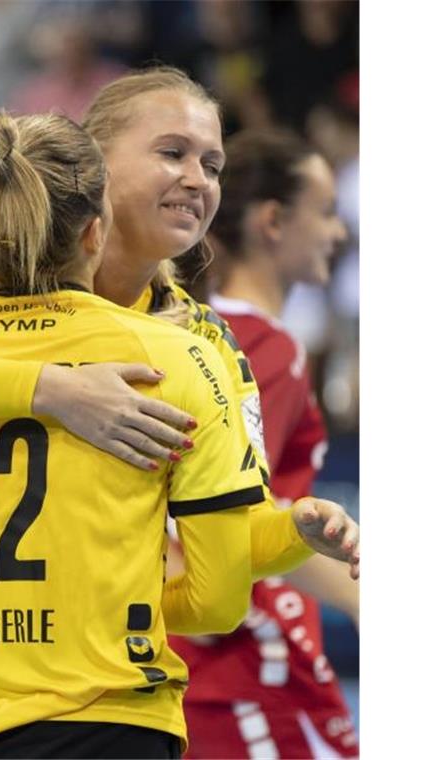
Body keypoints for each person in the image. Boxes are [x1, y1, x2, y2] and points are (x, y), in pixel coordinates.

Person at [0, 66, 359, 758]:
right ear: (94, 165)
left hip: (25, 694)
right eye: (172, 152)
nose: (198, 178)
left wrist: (289, 530)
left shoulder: (202, 341)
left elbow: (222, 537)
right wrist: (58, 391)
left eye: (213, 163)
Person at [168, 128, 358, 758]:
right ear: (274, 221)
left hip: (208, 654)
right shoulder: (261, 347)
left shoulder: (208, 333)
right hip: (243, 659)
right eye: (325, 213)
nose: (337, 233)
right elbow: (247, 508)